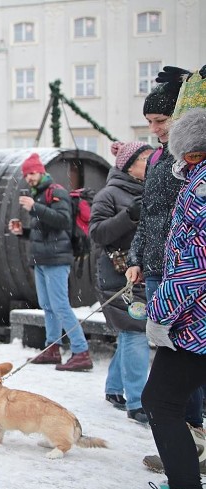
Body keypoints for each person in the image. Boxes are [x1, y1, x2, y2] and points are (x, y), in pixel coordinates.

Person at [121, 107, 206, 489]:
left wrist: (162, 315)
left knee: (161, 401)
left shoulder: (201, 187)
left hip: (196, 323)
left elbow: (192, 266)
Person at [9, 152, 93, 371]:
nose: (29, 178)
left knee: (60, 305)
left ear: (41, 171)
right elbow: (46, 231)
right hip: (41, 259)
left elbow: (63, 221)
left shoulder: (56, 192)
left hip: (57, 259)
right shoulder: (38, 195)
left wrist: (35, 208)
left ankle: (81, 350)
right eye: (26, 175)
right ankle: (52, 349)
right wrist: (23, 232)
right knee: (47, 306)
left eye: (32, 173)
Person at [89, 141, 153, 424]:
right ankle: (138, 402)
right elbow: (98, 233)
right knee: (136, 332)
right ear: (129, 165)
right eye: (146, 160)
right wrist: (128, 217)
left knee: (131, 333)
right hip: (118, 276)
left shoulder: (153, 190)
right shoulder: (109, 194)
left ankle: (114, 388)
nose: (151, 164)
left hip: (144, 271)